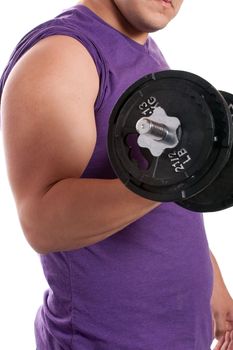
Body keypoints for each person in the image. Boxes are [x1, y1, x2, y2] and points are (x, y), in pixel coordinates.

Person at [0, 1, 233, 349]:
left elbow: (165, 203)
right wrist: (168, 178)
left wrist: (211, 283)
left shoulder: (143, 48)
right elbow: (41, 222)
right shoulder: (63, 55)